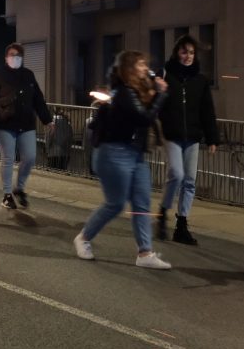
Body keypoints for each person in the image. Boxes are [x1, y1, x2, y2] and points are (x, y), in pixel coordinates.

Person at [73, 50, 172, 270]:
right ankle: (84, 238)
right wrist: (159, 95)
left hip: (136, 153)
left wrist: (155, 92)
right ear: (129, 69)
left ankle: (145, 253)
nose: (145, 68)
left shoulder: (137, 91)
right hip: (113, 153)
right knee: (115, 204)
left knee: (142, 203)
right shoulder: (124, 93)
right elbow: (143, 118)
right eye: (140, 64)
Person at [0, 44, 54, 209]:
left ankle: (19, 188)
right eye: (12, 54)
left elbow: (38, 99)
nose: (15, 57)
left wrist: (47, 120)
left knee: (30, 157)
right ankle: (7, 195)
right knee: (8, 158)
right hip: (3, 123)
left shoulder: (28, 75)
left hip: (26, 123)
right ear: (6, 57)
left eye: (18, 55)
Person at [156, 35, 219, 245]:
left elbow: (207, 110)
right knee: (177, 174)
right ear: (177, 53)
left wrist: (212, 138)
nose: (188, 56)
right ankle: (163, 212)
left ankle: (181, 225)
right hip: (172, 135)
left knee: (190, 181)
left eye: (191, 52)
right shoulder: (166, 75)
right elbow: (153, 99)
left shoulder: (200, 81)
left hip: (192, 137)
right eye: (184, 52)